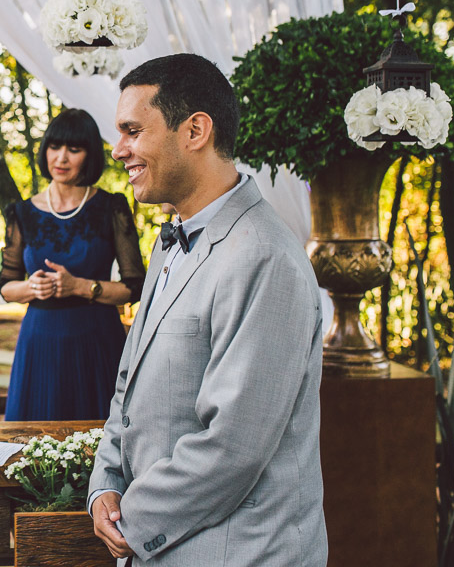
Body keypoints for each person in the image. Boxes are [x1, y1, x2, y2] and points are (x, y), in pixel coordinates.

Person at [88, 54, 327, 565]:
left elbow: (233, 446)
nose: (118, 149)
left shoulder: (265, 256)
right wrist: (104, 485)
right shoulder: (171, 241)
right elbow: (128, 383)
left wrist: (134, 520)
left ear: (195, 129)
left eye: (133, 130)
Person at [0, 108, 146, 421]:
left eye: (74, 149)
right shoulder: (21, 213)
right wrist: (31, 287)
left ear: (89, 155)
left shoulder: (112, 208)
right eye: (55, 147)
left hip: (97, 340)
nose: (61, 158)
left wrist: (79, 286)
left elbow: (135, 286)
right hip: (40, 343)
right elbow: (6, 285)